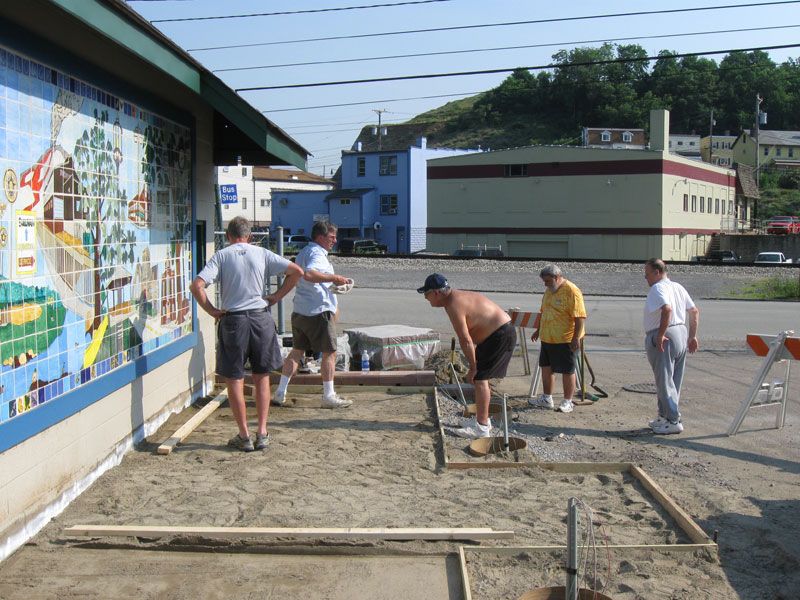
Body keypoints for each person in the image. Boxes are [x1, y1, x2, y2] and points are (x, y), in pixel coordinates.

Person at [190, 216, 303, 452]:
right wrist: (277, 296)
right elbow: (296, 271)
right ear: (249, 236)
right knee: (262, 376)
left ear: (229, 236)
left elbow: (197, 285)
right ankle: (262, 431)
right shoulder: (261, 253)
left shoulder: (222, 255)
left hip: (234, 320)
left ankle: (244, 434)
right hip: (260, 318)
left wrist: (212, 310)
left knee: (235, 378)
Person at [418, 273, 516, 439]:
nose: (426, 299)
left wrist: (473, 366)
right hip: (496, 334)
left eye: (426, 295)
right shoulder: (454, 298)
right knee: (480, 379)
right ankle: (481, 420)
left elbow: (466, 340)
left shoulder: (454, 304)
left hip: (499, 335)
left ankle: (482, 427)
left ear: (436, 293)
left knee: (480, 379)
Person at [273, 221, 354, 409]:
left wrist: (334, 286)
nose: (335, 240)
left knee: (297, 351)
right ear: (320, 237)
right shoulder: (316, 253)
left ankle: (280, 392)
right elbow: (310, 274)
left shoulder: (304, 253)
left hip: (301, 310)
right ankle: (328, 395)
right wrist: (335, 278)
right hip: (317, 312)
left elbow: (302, 277)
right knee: (330, 352)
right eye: (331, 237)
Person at [643, 258, 699, 435]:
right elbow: (694, 311)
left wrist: (660, 335)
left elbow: (667, 309)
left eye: (647, 274)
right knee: (673, 379)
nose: (646, 278)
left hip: (665, 334)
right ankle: (664, 416)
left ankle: (673, 419)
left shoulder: (658, 288)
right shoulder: (678, 287)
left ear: (657, 272)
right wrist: (692, 336)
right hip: (680, 332)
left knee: (664, 379)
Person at [528, 264, 586, 414]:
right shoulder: (549, 291)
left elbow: (580, 317)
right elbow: (544, 312)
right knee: (546, 369)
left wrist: (575, 339)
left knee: (568, 370)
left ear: (556, 277)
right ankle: (547, 398)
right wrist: (539, 330)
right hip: (548, 338)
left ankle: (568, 401)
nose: (545, 284)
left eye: (547, 281)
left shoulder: (572, 291)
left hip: (565, 339)